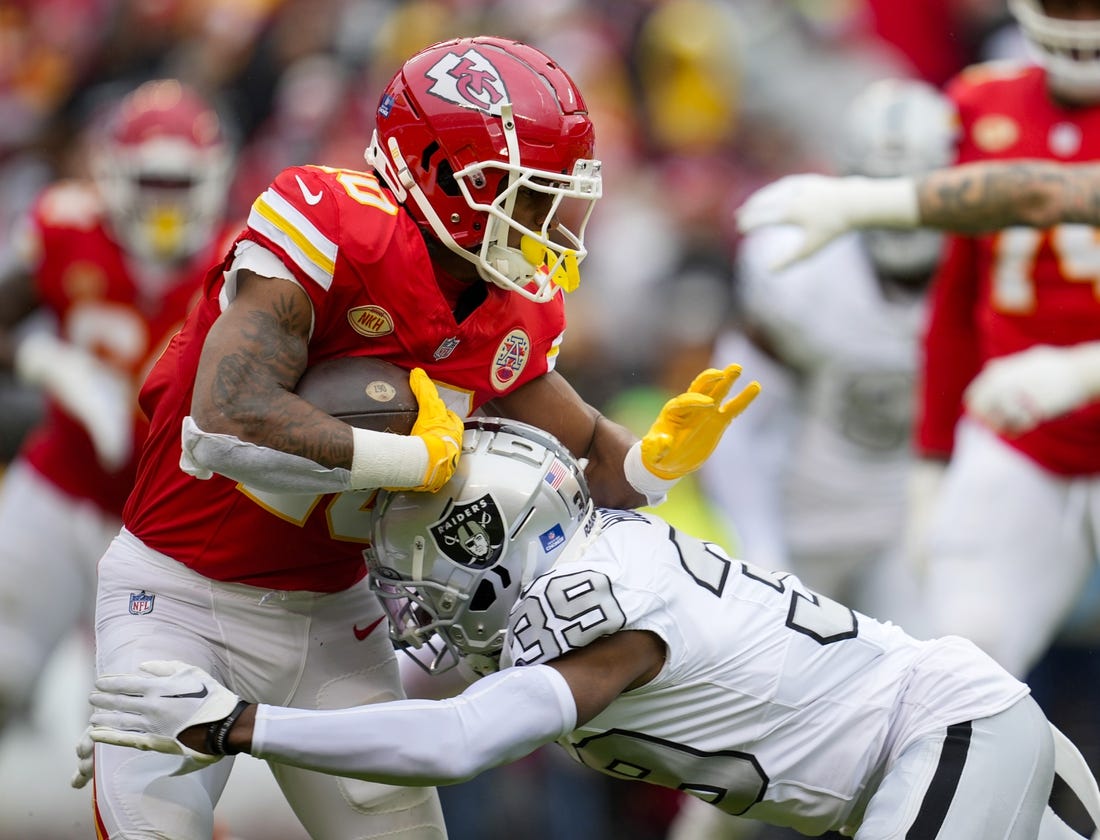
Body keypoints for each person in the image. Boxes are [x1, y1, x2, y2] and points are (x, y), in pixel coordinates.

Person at [74, 36, 754, 840]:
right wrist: (410, 458)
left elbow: (593, 467)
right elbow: (221, 422)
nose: (546, 222)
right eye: (525, 195)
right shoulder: (333, 223)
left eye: (553, 196)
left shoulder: (508, 307)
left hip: (335, 620)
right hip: (180, 592)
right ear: (443, 176)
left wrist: (648, 463)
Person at [82, 417, 1100, 840]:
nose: (406, 580)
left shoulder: (596, 608)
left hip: (944, 734)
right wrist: (163, 694)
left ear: (486, 540)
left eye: (422, 549)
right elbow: (387, 686)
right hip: (923, 758)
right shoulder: (576, 568)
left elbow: (456, 741)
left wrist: (241, 725)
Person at [734, 0, 1100, 680]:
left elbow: (1043, 194)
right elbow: (956, 301)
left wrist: (1081, 371)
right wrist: (936, 460)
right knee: (964, 662)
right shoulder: (983, 101)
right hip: (1016, 436)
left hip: (1029, 402)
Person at [0, 78, 236, 733]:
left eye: (179, 185)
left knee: (147, 726)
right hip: (62, 485)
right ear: (112, 175)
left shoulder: (241, 263)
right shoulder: (67, 227)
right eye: (150, 184)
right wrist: (45, 360)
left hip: (169, 520)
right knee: (3, 671)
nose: (164, 205)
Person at [700, 77, 955, 612]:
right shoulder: (799, 271)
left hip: (909, 531)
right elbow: (732, 421)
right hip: (803, 526)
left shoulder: (983, 269)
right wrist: (761, 546)